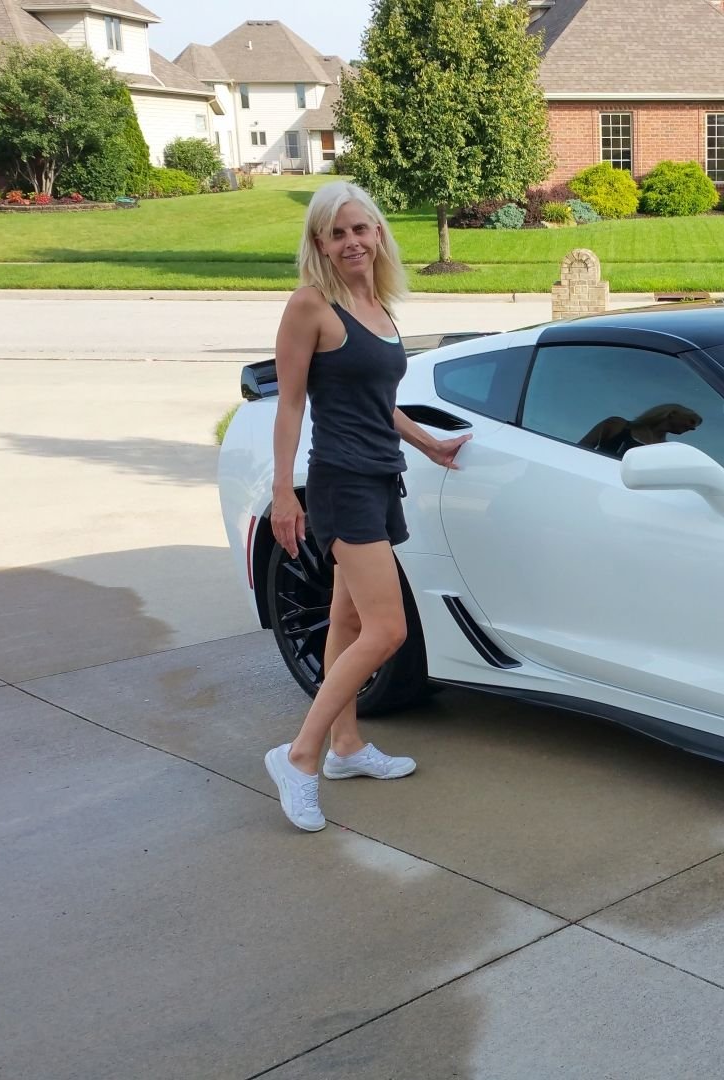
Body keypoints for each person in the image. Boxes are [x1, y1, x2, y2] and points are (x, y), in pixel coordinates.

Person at [261, 182, 469, 832]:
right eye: (338, 232)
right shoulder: (310, 306)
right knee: (389, 630)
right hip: (340, 483)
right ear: (319, 241)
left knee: (348, 627)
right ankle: (298, 756)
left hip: (382, 477)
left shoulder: (376, 305)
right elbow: (290, 403)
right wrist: (281, 491)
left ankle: (345, 749)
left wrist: (428, 444)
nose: (352, 241)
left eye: (362, 229)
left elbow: (379, 402)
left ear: (379, 234)